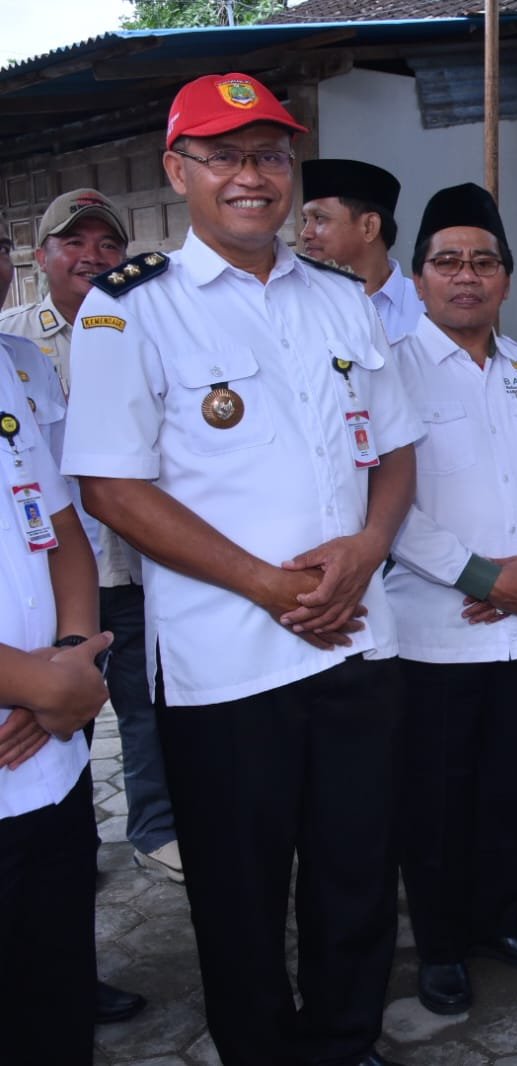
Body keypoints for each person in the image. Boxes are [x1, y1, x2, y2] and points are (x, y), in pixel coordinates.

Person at [61, 72, 420, 1066]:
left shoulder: (343, 299)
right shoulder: (132, 309)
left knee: (356, 872)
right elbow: (112, 489)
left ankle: (344, 1043)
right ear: (178, 171)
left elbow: (396, 451)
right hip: (227, 661)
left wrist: (368, 548)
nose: (250, 175)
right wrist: (265, 583)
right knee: (239, 889)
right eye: (222, 155)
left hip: (357, 640)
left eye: (267, 154)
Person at [386, 182, 517, 1015]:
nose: (465, 276)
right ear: (418, 277)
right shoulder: (387, 369)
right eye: (447, 262)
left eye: (482, 261)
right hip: (431, 632)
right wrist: (480, 577)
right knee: (435, 800)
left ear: (505, 276)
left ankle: (498, 918)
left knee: (507, 788)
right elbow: (381, 502)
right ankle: (440, 946)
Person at [0, 335, 114, 1065]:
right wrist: (41, 684)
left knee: (55, 1006)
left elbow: (61, 524)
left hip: (50, 765)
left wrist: (72, 653)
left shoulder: (6, 369)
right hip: (37, 717)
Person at [0, 188, 128, 381]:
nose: (93, 257)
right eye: (75, 242)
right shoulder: (9, 333)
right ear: (42, 258)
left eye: (108, 245)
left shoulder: (149, 332)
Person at [299, 157, 424, 342]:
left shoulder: (427, 307)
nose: (305, 234)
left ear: (369, 227)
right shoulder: (299, 305)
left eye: (319, 218)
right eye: (305, 220)